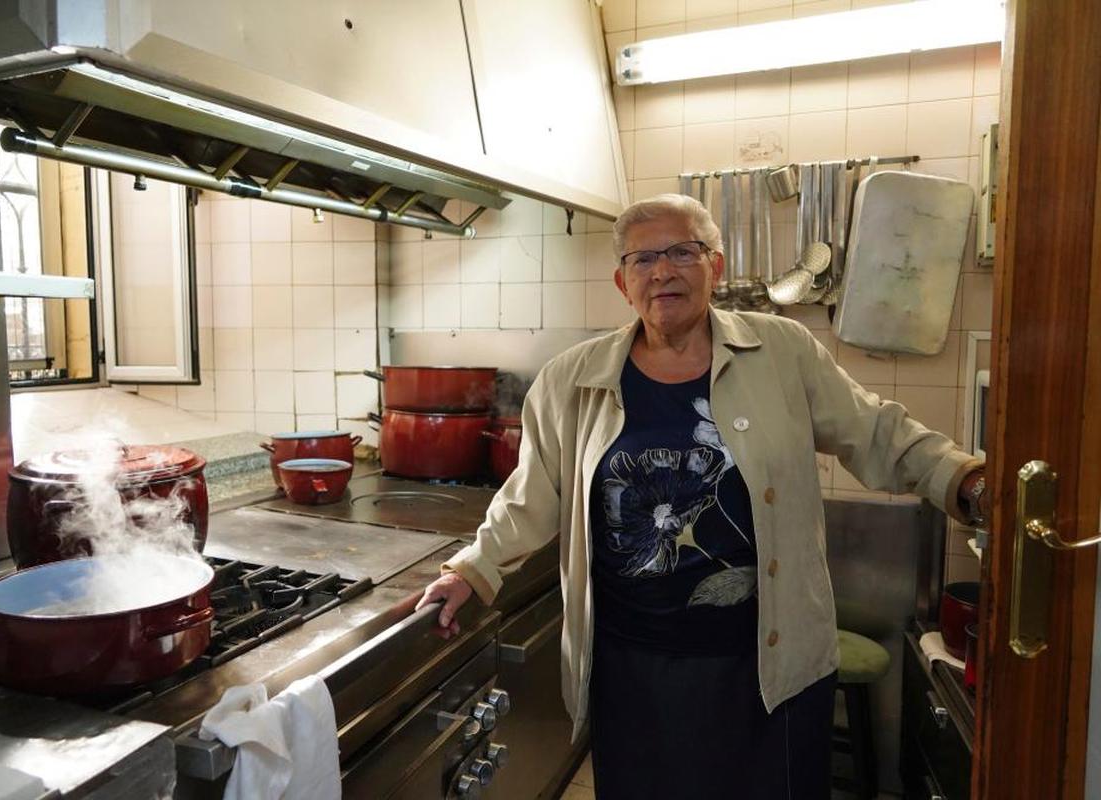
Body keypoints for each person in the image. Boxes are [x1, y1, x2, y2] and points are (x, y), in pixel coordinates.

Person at [415, 193, 987, 798]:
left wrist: (965, 480)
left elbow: (879, 432)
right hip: (632, 670)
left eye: (682, 251)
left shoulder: (782, 352)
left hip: (768, 666)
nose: (663, 270)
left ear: (714, 267)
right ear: (622, 281)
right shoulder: (571, 379)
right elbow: (531, 497)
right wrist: (470, 568)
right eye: (643, 259)